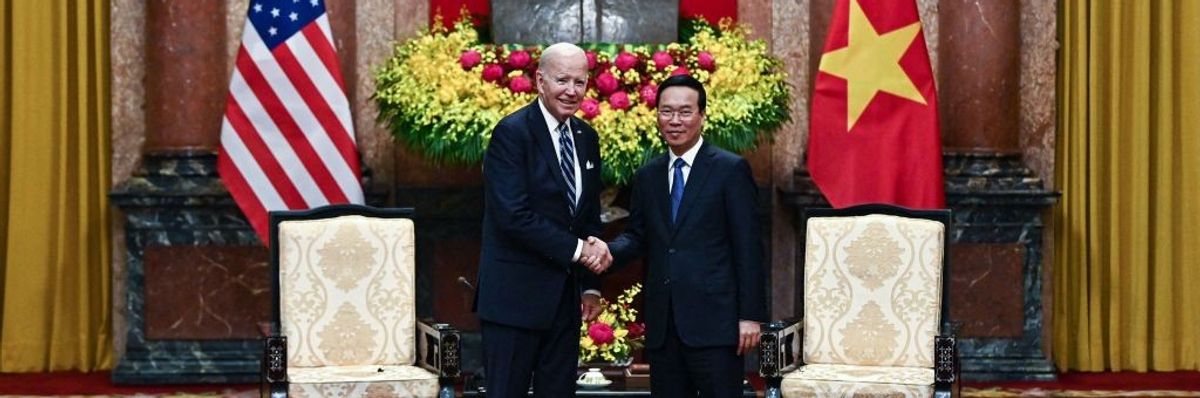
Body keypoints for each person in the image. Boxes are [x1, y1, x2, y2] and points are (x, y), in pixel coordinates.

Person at [590, 74, 765, 397]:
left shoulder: (729, 170)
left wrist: (750, 316)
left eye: (685, 112)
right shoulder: (648, 175)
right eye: (666, 111)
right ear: (657, 115)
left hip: (716, 325)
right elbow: (637, 237)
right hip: (664, 326)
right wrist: (607, 251)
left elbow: (749, 248)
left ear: (702, 115)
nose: (675, 120)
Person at [473, 42, 611, 398]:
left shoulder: (586, 137)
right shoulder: (512, 132)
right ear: (540, 81)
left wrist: (591, 285)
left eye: (579, 82)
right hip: (513, 303)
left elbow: (587, 215)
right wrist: (579, 250)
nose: (571, 91)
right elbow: (513, 216)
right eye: (562, 80)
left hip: (565, 303)